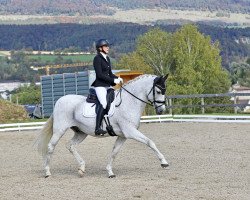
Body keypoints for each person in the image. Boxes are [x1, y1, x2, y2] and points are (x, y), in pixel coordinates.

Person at [91, 39, 123, 136]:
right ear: (100, 48)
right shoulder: (97, 59)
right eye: (106, 46)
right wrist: (113, 81)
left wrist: (118, 78)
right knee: (104, 104)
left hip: (107, 86)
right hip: (100, 86)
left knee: (114, 99)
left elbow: (109, 74)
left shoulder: (107, 58)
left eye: (108, 46)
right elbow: (100, 75)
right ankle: (97, 128)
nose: (108, 47)